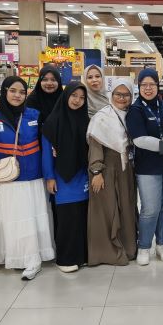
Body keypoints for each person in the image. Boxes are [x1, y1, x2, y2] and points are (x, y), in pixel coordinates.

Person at [0, 76, 55, 280]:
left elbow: (46, 146)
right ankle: (17, 256)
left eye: (22, 92)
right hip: (8, 181)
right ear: (4, 91)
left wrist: (49, 174)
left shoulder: (35, 115)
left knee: (33, 217)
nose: (17, 95)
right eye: (13, 91)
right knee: (15, 219)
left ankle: (33, 259)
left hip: (34, 179)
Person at [87, 78, 138, 266]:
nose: (122, 98)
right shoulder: (102, 117)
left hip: (126, 169)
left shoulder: (131, 115)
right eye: (118, 94)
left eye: (126, 95)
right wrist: (96, 171)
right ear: (111, 94)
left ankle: (128, 249)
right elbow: (95, 145)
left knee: (126, 207)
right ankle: (106, 253)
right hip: (106, 169)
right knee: (107, 210)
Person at [126, 68, 163, 265]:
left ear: (157, 85)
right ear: (139, 87)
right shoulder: (135, 110)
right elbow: (140, 140)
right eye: (143, 85)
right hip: (147, 167)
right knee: (151, 209)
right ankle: (144, 246)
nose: (148, 88)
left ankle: (162, 244)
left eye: (151, 84)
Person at [42, 81, 90, 272]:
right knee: (66, 218)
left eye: (82, 97)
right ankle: (66, 259)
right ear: (66, 96)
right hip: (61, 178)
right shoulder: (52, 122)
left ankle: (82, 255)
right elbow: (46, 154)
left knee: (81, 216)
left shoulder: (85, 120)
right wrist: (49, 177)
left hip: (82, 175)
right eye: (74, 96)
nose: (77, 100)